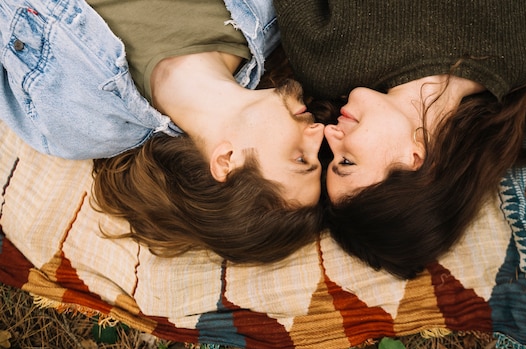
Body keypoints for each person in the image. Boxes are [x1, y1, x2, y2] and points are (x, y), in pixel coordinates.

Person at [274, 0, 526, 278]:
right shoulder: (523, 51)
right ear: (416, 161)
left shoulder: (326, 62)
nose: (330, 133)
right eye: (346, 160)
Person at [0, 0, 325, 263]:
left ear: (226, 160)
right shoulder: (267, 14)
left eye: (300, 158)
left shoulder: (78, 123)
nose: (319, 133)